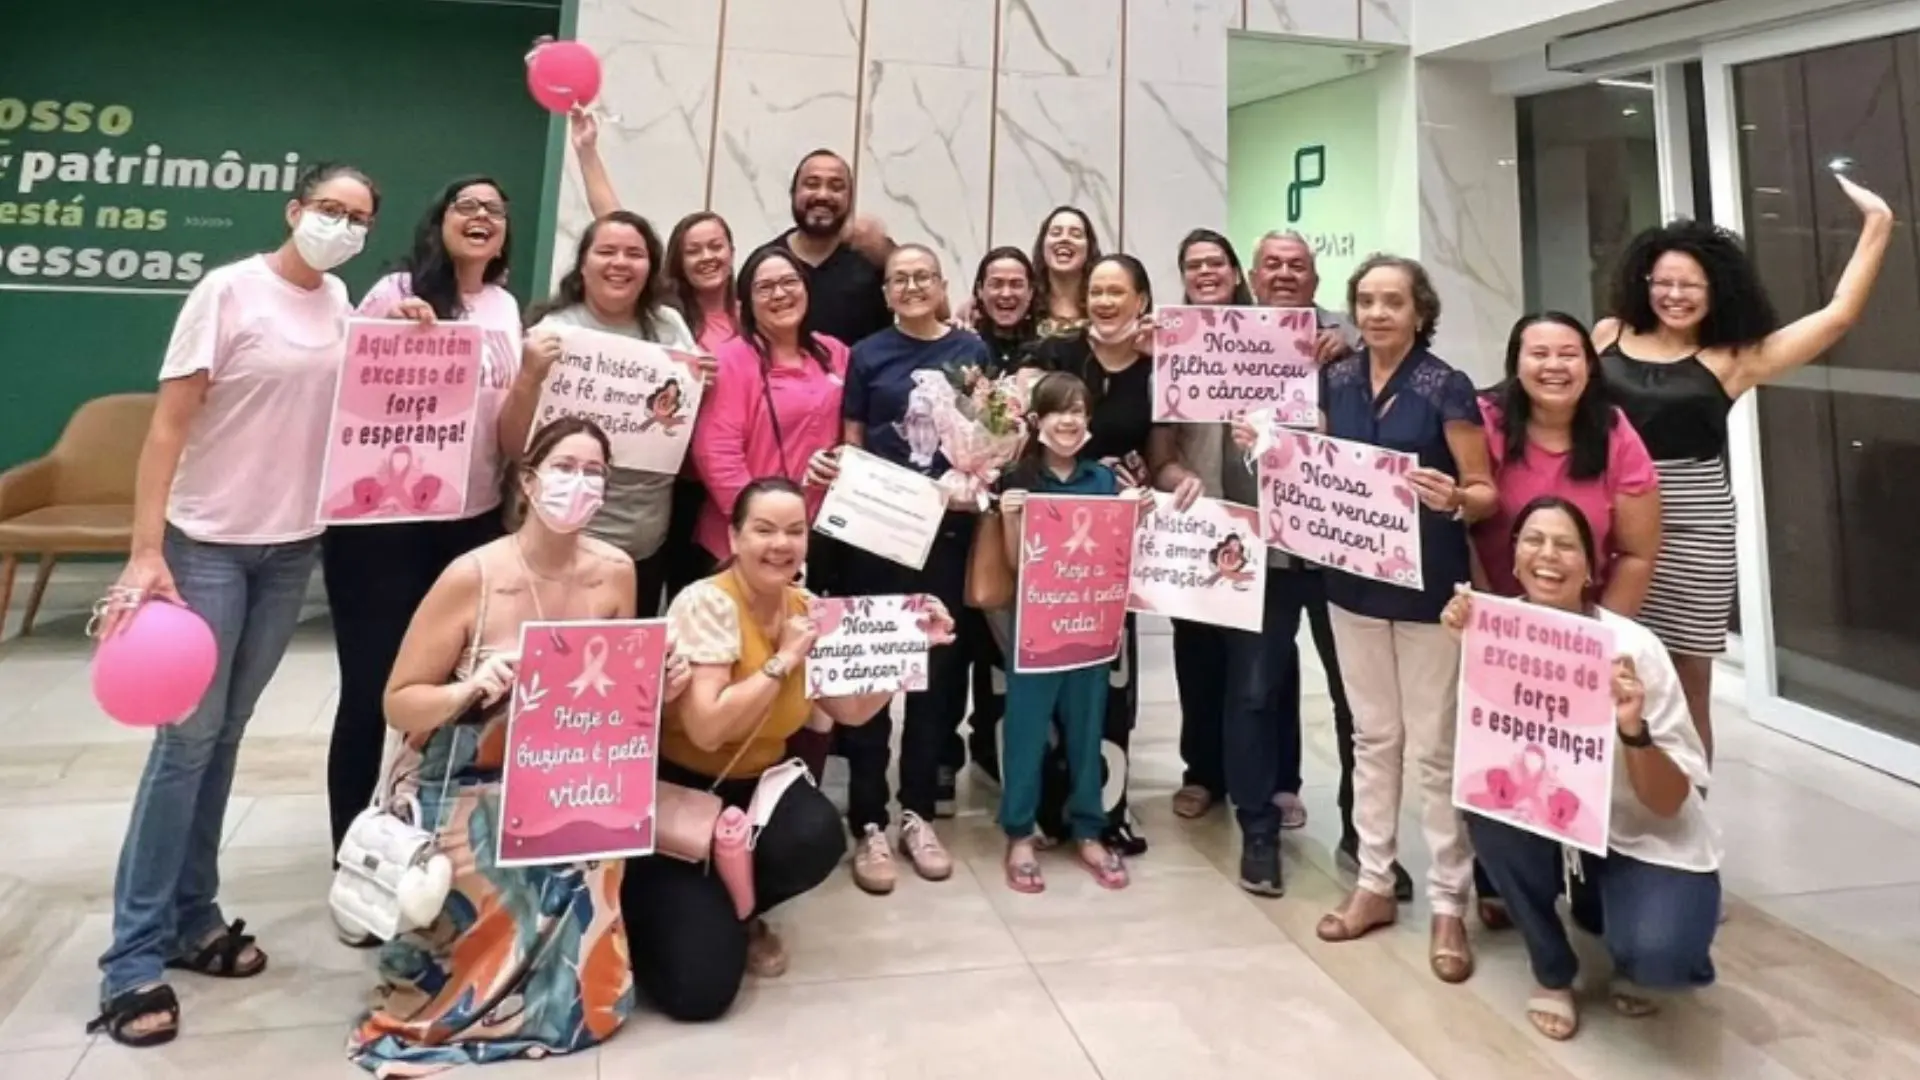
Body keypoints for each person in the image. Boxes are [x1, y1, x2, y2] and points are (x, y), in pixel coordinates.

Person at [86, 163, 382, 1049]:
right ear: (294, 211)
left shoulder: (342, 303)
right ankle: (131, 959)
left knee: (227, 734)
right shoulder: (228, 292)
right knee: (183, 744)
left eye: (359, 216)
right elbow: (167, 428)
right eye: (329, 209)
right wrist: (147, 551)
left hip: (292, 549)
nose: (341, 225)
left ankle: (193, 914)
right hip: (205, 545)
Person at [349, 416, 657, 1073]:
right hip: (464, 768)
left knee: (594, 851)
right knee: (489, 865)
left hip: (563, 767)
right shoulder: (473, 576)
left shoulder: (616, 572)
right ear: (528, 479)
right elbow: (399, 700)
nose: (580, 483)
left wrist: (664, 681)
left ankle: (562, 999)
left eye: (594, 472)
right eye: (566, 467)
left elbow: (612, 696)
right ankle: (460, 998)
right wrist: (470, 689)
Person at [623, 478, 957, 1018]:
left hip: (759, 786)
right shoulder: (705, 603)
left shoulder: (808, 607)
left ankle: (736, 906)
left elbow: (851, 711)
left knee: (816, 836)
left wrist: (905, 653)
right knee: (699, 995)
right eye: (764, 530)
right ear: (733, 538)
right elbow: (708, 729)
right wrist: (784, 658)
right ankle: (669, 896)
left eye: (795, 531)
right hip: (683, 790)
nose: (780, 544)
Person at [1254, 254, 1494, 982]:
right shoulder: (1337, 378)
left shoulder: (1445, 385)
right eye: (1367, 300)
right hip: (1350, 586)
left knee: (1435, 747)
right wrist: (1265, 447)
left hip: (1429, 595)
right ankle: (1375, 882)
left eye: (1394, 301)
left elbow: (1486, 489)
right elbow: (1311, 464)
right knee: (1372, 738)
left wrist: (1452, 496)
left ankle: (1451, 898)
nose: (1379, 313)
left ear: (1420, 311)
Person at [1594, 175, 1892, 762]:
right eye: (1664, 282)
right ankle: (1618, 813)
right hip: (1609, 514)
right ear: (1643, 282)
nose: (1675, 295)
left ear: (1717, 291)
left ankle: (1688, 817)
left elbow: (1836, 317)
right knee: (1609, 663)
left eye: (1691, 285)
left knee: (1686, 679)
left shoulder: (1734, 358)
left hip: (1692, 524)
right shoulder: (1609, 333)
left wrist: (1879, 225)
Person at [1442, 497, 1720, 1041]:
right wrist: (1468, 645)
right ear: (1515, 561)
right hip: (1559, 833)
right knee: (1485, 802)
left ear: (1592, 567)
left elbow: (1670, 801)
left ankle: (1616, 917)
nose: (1549, 555)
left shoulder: (1633, 647)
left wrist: (1632, 728)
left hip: (1644, 835)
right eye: (1534, 541)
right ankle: (1552, 968)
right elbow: (1484, 759)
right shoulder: (1498, 637)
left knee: (1657, 959)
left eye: (1566, 544)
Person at [323, 176, 525, 880]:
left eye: (494, 212)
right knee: (374, 688)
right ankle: (352, 850)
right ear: (438, 219)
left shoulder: (503, 308)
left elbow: (507, 427)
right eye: (466, 206)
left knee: (454, 689)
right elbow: (350, 396)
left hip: (468, 522)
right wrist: (392, 334)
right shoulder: (395, 292)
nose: (480, 218)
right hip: (383, 525)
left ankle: (430, 832)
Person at [1468, 311, 1663, 931]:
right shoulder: (1489, 422)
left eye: (1569, 354)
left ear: (1590, 363)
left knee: (1577, 759)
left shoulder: (1612, 430)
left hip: (1587, 625)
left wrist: (1598, 638)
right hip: (1502, 627)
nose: (1554, 366)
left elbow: (1636, 549)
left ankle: (1595, 878)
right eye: (1539, 354)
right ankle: (1500, 876)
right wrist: (1492, 620)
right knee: (1501, 758)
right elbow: (1467, 523)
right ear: (1515, 364)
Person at [1024, 253, 1206, 856]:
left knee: (1111, 684)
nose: (1103, 301)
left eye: (1116, 292)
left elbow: (1161, 455)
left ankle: (1105, 808)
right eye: (1096, 291)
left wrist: (1179, 477)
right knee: (1046, 679)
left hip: (1112, 546)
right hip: (1046, 542)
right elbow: (1018, 438)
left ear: (1141, 300)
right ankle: (1049, 809)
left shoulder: (1157, 374)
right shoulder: (1056, 356)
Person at [829, 244, 993, 893]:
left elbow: (987, 436)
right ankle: (868, 820)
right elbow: (853, 439)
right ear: (888, 291)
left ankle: (917, 812)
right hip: (876, 536)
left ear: (941, 284)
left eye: (923, 276)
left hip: (948, 538)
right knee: (874, 672)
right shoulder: (868, 354)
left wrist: (972, 477)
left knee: (936, 677)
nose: (912, 286)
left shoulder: (972, 351)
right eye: (900, 279)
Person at [1248, 228, 1401, 898]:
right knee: (1255, 692)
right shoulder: (1225, 342)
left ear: (1315, 280)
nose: (1284, 275)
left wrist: (1353, 357)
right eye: (1272, 265)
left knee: (1356, 702)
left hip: (1341, 552)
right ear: (1254, 277)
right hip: (1261, 553)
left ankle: (1364, 838)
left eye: (1297, 266)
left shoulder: (1356, 340)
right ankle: (1257, 830)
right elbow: (1175, 430)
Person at [1168, 229, 1317, 896]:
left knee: (1260, 679)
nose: (1207, 273)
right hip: (1203, 531)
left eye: (1216, 263)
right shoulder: (1175, 345)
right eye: (1193, 266)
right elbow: (1161, 445)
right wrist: (1174, 474)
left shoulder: (1295, 339)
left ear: (1237, 272)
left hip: (1282, 542)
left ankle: (1264, 809)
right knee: (1202, 664)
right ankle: (1216, 777)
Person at [568, 107, 736, 605]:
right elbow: (615, 227)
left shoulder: (752, 316)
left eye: (717, 246)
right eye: (693, 249)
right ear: (674, 261)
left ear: (731, 251)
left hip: (721, 485)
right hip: (663, 484)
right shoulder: (666, 311)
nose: (707, 257)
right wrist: (587, 152)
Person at [996, 372, 1152, 892]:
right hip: (1036, 631)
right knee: (1024, 731)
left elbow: (1122, 557)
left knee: (1088, 731)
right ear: (1037, 421)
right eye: (1058, 411)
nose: (1069, 420)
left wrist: (1140, 515)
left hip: (1091, 628)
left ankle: (1090, 828)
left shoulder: (1103, 482)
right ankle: (1019, 832)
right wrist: (1010, 518)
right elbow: (1017, 566)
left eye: (1079, 411)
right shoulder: (1019, 480)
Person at [504, 210, 704, 616]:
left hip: (643, 539)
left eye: (635, 253)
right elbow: (512, 445)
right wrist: (528, 377)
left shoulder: (669, 326)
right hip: (558, 536)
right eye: (606, 251)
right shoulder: (552, 330)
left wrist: (702, 384)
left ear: (651, 266)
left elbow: (680, 428)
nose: (620, 263)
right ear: (583, 263)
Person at [950, 246, 1041, 794]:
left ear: (1032, 293)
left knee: (1010, 638)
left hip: (1023, 515)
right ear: (979, 291)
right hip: (966, 509)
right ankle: (956, 747)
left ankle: (1003, 746)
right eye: (995, 284)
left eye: (1016, 284)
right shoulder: (963, 350)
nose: (1006, 293)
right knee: (963, 636)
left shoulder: (1049, 351)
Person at [774, 150, 895, 348]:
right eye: (812, 184)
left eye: (836, 187)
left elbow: (939, 311)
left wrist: (889, 256)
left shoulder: (874, 253)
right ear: (793, 193)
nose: (823, 195)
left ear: (850, 199)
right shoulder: (767, 262)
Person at [1029, 206, 1101, 338]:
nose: (1064, 239)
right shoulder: (1026, 303)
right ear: (1042, 245)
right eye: (1056, 233)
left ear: (1089, 248)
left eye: (1076, 235)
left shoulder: (1102, 305)